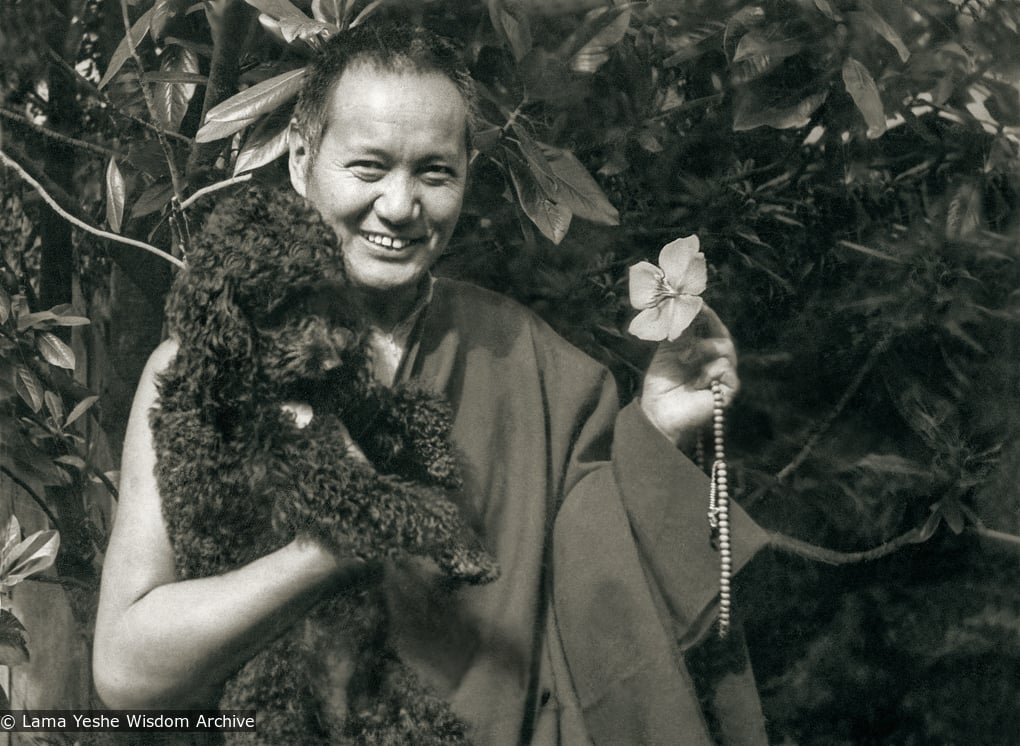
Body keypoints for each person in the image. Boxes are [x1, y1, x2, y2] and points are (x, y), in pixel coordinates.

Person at [93, 21, 769, 745]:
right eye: (368, 167)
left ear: (468, 175)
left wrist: (657, 431)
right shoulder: (205, 367)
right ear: (300, 159)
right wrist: (319, 556)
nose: (399, 206)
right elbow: (128, 673)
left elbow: (609, 594)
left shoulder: (526, 359)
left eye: (434, 172)